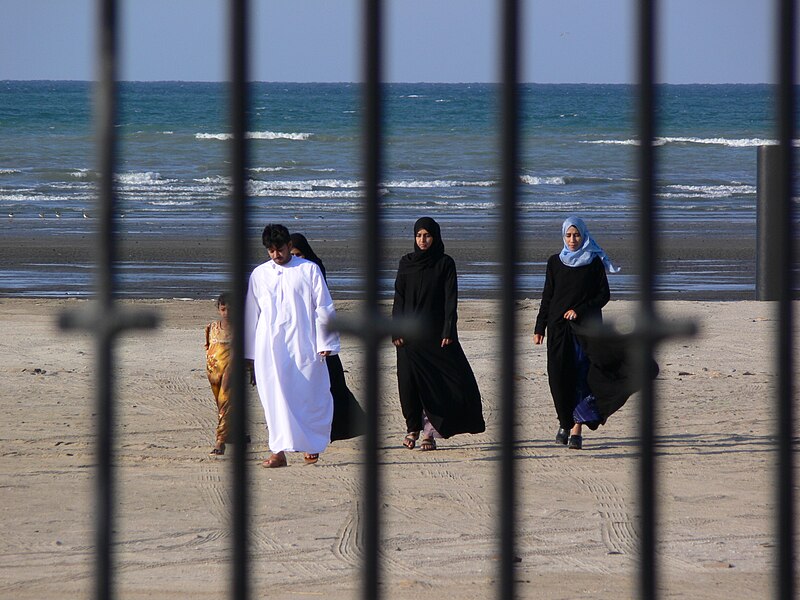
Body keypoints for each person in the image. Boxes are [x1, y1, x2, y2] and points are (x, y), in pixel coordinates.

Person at [245, 224, 340, 468]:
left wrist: (325, 341)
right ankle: (278, 452)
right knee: (274, 397)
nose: (276, 255)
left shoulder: (308, 270)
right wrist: (249, 353)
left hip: (304, 343)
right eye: (271, 251)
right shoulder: (259, 275)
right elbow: (251, 314)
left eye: (280, 250)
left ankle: (310, 444)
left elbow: (323, 306)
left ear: (289, 246)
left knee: (308, 393)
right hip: (270, 347)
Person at [391, 216, 485, 451]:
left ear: (435, 237)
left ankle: (429, 434)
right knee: (408, 383)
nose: (423, 240)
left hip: (434, 335)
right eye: (419, 235)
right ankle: (412, 427)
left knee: (435, 384)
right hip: (408, 336)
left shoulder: (445, 263)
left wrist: (448, 330)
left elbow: (450, 299)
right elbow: (399, 298)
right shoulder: (406, 263)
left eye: (427, 235)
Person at [533, 216, 619, 450]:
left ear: (584, 235)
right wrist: (540, 326)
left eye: (576, 235)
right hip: (558, 329)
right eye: (568, 235)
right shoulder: (554, 262)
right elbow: (547, 296)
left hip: (585, 330)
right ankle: (564, 420)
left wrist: (579, 310)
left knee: (581, 377)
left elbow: (603, 296)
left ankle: (576, 429)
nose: (572, 240)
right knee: (558, 377)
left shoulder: (593, 263)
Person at [290, 232, 366, 441]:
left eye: (300, 254)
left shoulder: (315, 270)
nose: (298, 259)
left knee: (334, 384)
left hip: (320, 337)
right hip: (300, 338)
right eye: (293, 255)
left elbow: (322, 307)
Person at [204, 293, 232, 456]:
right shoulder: (212, 327)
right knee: (222, 405)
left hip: (231, 372)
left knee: (225, 403)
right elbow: (208, 349)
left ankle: (220, 441)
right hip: (214, 373)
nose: (227, 313)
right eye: (223, 309)